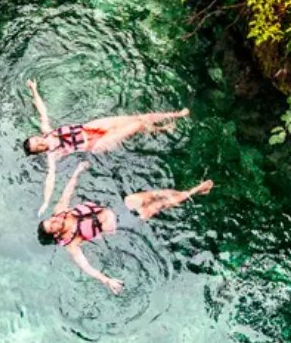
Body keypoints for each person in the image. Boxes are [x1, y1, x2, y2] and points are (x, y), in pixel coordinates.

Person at [37, 161, 213, 294]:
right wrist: (106, 280)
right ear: (56, 235)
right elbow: (86, 266)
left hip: (120, 207)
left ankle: (186, 191)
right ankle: (195, 190)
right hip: (122, 224)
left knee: (156, 194)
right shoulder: (71, 243)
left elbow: (67, 193)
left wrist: (77, 172)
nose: (54, 222)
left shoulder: (60, 212)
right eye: (52, 227)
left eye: (51, 221)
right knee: (158, 206)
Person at [24, 79, 189, 213]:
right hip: (95, 144)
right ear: (38, 151)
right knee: (137, 125)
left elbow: (42, 111)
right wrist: (46, 202)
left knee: (136, 118)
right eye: (37, 147)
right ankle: (162, 129)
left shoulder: (47, 131)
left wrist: (34, 89)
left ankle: (175, 115)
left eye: (36, 140)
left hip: (89, 127)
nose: (40, 143)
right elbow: (50, 178)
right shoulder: (52, 155)